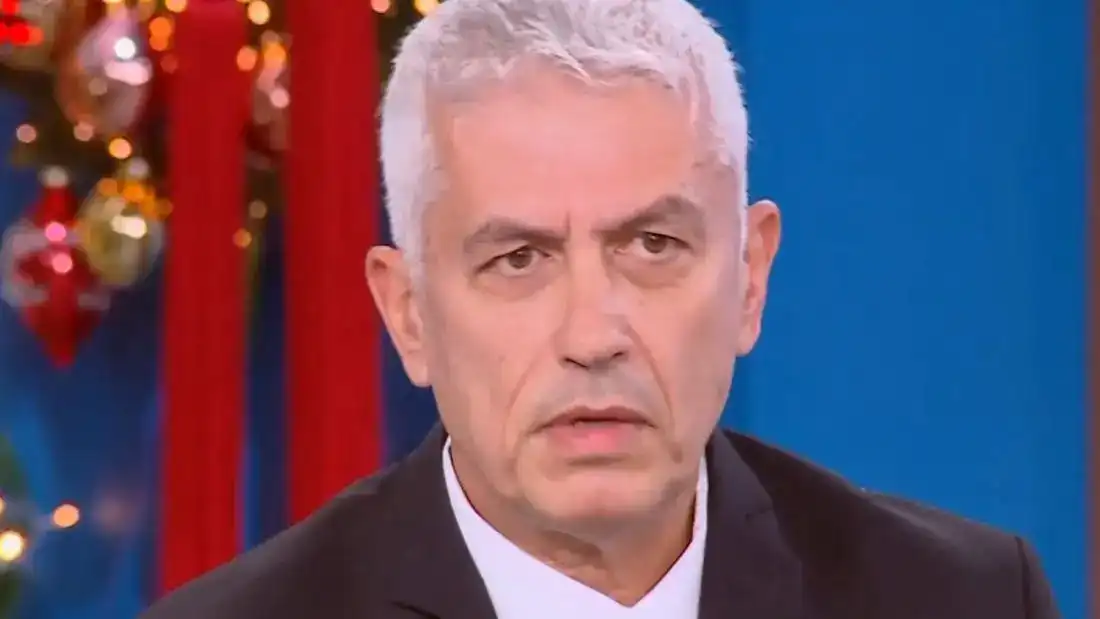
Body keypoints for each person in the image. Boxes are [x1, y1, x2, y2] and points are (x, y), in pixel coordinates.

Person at [142, 0, 1060, 617]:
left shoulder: (962, 599)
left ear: (750, 277)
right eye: (518, 259)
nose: (592, 335)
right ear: (408, 311)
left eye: (652, 245)